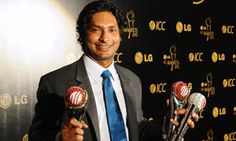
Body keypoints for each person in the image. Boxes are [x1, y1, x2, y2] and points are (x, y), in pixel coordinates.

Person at [28, 1, 199, 141]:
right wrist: (60, 138)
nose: (105, 38)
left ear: (120, 35)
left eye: (112, 30)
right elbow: (36, 136)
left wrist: (168, 125)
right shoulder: (55, 83)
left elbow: (136, 128)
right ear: (82, 34)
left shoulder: (132, 79)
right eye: (96, 30)